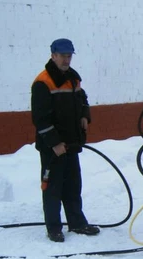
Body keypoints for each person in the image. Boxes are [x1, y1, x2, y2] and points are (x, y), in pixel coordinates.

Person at [31, 38, 100, 242]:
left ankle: (77, 223)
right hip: (53, 148)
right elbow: (40, 118)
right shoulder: (43, 83)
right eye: (62, 55)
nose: (66, 59)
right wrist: (54, 143)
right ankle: (54, 228)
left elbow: (82, 99)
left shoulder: (73, 79)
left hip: (71, 143)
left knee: (72, 186)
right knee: (53, 188)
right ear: (53, 56)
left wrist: (84, 116)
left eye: (69, 55)